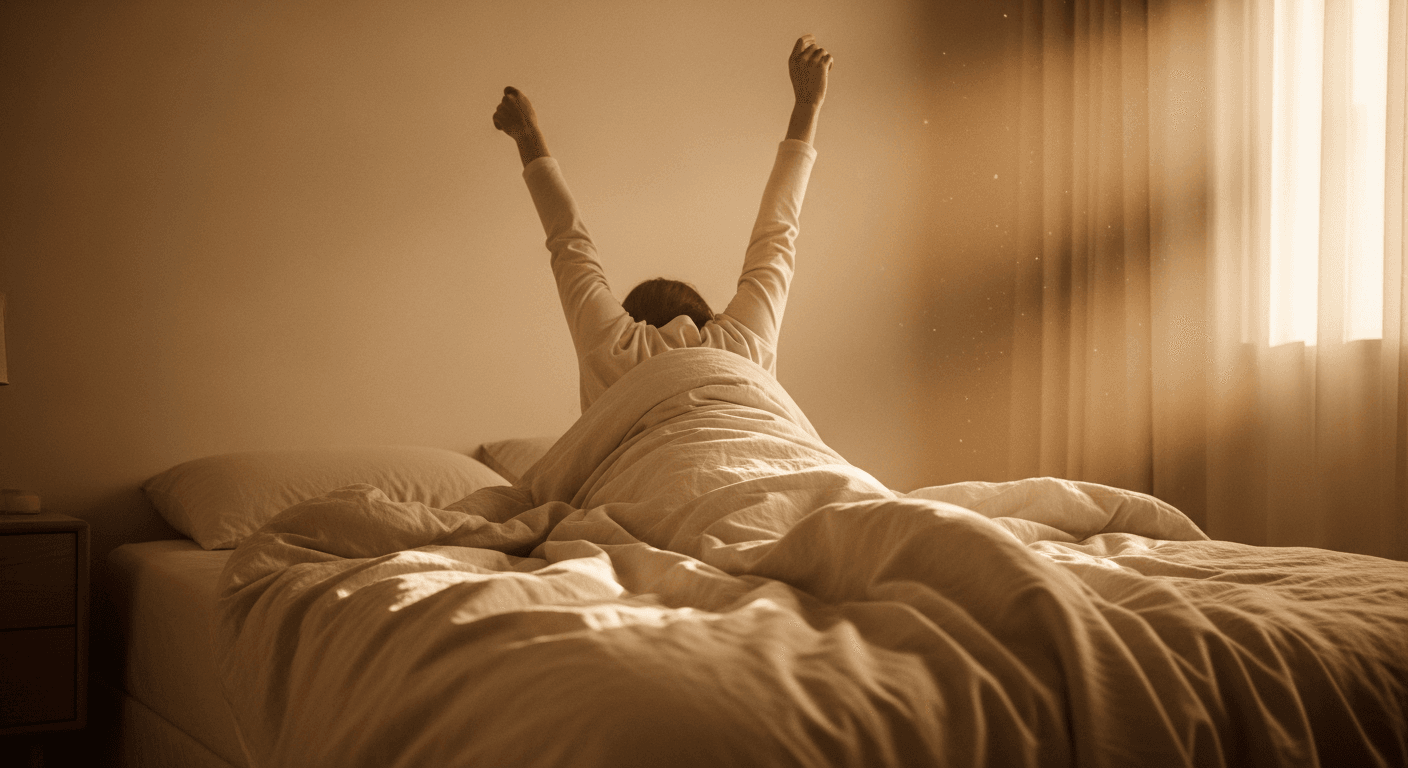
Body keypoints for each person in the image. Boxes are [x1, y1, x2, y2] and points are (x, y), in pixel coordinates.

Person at [494, 35, 833, 413]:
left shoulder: (615, 347)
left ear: (631, 319)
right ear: (707, 318)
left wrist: (527, 135)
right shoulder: (740, 346)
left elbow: (570, 243)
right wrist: (808, 104)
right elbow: (777, 235)